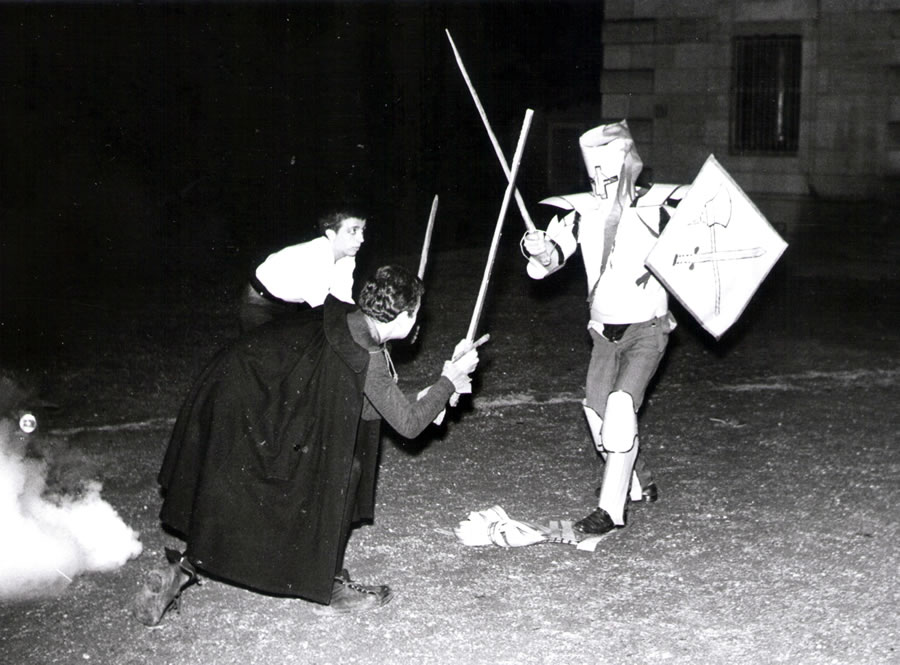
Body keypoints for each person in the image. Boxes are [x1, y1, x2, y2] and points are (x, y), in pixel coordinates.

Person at [133, 265, 483, 625]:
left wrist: (434, 395)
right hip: (252, 402)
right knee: (337, 475)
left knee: (246, 494)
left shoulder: (350, 321)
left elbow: (369, 404)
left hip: (241, 392)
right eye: (417, 311)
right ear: (405, 317)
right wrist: (449, 381)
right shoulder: (369, 355)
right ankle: (325, 585)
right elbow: (408, 425)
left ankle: (182, 571)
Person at [521, 120, 688, 536]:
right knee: (597, 414)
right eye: (593, 174)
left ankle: (609, 512)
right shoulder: (582, 213)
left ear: (628, 168)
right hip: (603, 332)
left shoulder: (660, 207)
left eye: (608, 175)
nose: (600, 183)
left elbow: (699, 243)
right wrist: (540, 249)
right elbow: (551, 260)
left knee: (617, 409)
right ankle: (637, 481)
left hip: (646, 329)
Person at [238, 210, 367, 332]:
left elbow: (343, 297)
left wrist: (361, 319)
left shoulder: (347, 256)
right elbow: (326, 309)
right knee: (265, 352)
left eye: (362, 230)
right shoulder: (314, 257)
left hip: (288, 304)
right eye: (353, 231)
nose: (361, 239)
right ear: (331, 234)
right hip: (259, 303)